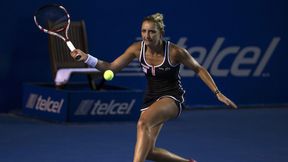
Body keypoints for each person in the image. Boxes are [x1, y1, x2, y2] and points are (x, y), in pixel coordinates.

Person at [70, 13, 237, 162]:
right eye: (143, 31)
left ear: (161, 34)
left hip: (172, 98)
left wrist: (217, 92)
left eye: (152, 32)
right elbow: (111, 68)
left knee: (143, 123)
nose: (147, 36)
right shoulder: (136, 49)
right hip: (150, 98)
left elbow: (199, 69)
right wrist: (87, 58)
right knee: (148, 152)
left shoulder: (175, 52)